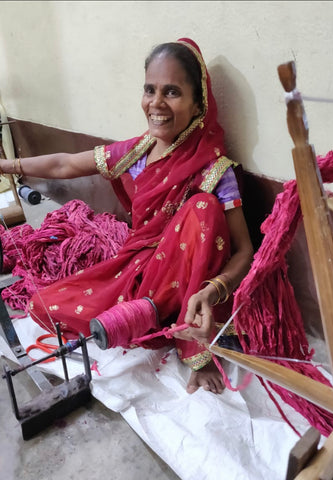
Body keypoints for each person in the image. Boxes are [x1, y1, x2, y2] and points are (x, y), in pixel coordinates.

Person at [0, 38, 253, 394]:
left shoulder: (215, 169)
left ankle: (193, 345)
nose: (156, 103)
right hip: (136, 273)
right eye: (150, 89)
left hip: (191, 291)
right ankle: (146, 314)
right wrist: (5, 165)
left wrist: (213, 291)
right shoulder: (138, 150)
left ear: (199, 105)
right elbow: (65, 163)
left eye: (173, 92)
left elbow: (244, 251)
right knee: (44, 306)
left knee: (203, 208)